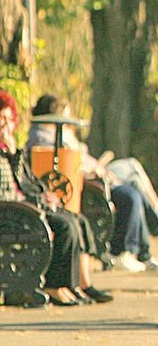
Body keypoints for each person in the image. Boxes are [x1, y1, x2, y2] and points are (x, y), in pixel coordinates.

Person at [28, 95, 158, 273]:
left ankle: (144, 251)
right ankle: (129, 249)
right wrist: (93, 172)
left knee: (133, 177)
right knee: (131, 193)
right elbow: (63, 169)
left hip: (97, 173)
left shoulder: (59, 133)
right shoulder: (45, 137)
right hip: (88, 184)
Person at [0, 90, 112, 307]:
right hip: (13, 213)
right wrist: (38, 202)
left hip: (24, 207)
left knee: (76, 220)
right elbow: (8, 193)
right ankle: (55, 285)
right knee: (63, 226)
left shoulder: (10, 151)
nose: (5, 125)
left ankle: (78, 283)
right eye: (0, 119)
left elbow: (26, 182)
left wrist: (16, 157)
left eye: (8, 119)